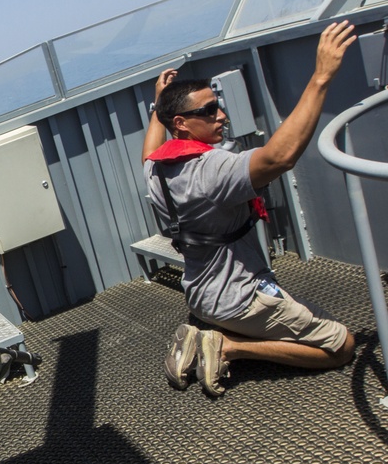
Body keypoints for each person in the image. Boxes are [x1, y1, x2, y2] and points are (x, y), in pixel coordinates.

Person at [141, 20, 358, 397]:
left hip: (200, 293)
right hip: (240, 300)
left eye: (218, 106)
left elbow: (150, 148)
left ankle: (206, 330)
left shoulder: (157, 169)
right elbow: (279, 158)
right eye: (208, 111)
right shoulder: (211, 171)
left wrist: (157, 108)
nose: (221, 115)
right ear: (182, 124)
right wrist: (321, 77)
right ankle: (229, 346)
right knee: (340, 346)